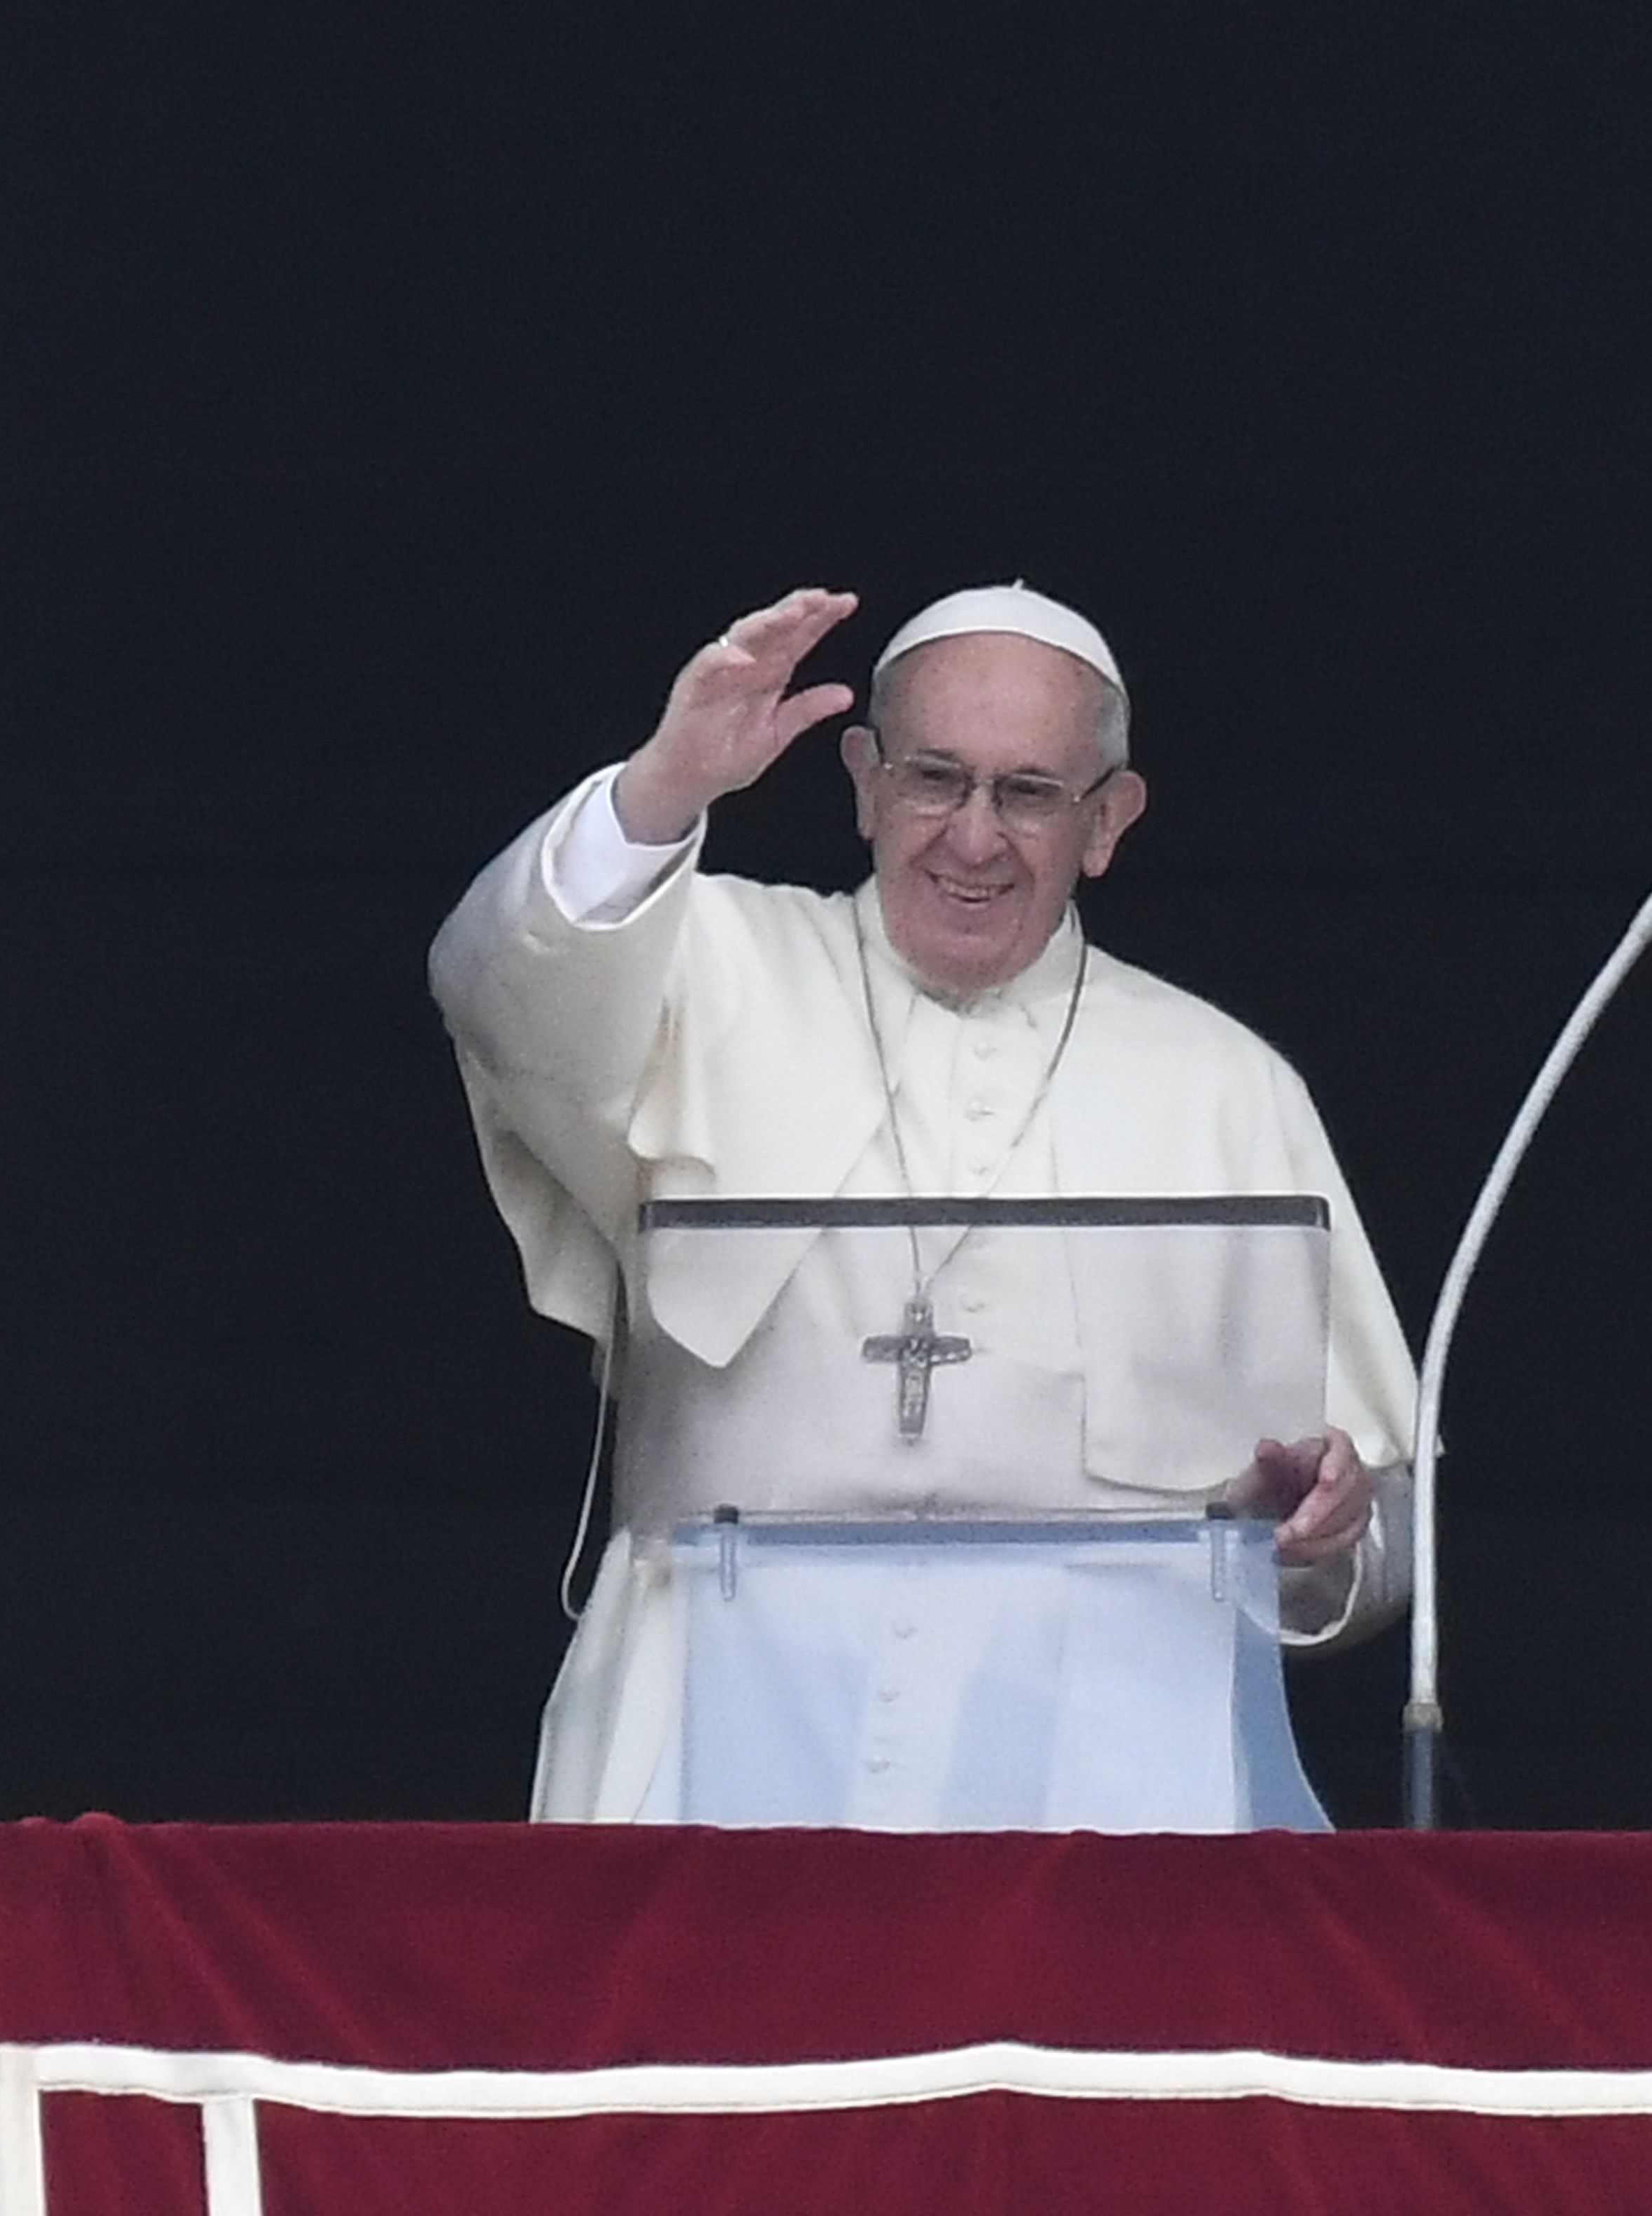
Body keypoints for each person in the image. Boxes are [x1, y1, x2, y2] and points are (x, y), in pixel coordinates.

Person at [432, 583, 1417, 1821]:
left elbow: (1371, 1523)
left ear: (1107, 820)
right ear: (862, 782)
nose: (972, 836)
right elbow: (498, 988)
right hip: (718, 1716)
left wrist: (1326, 1528)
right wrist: (663, 787)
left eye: (1029, 793)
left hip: (1108, 1754)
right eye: (933, 779)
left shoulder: (1224, 1084)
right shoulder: (705, 968)